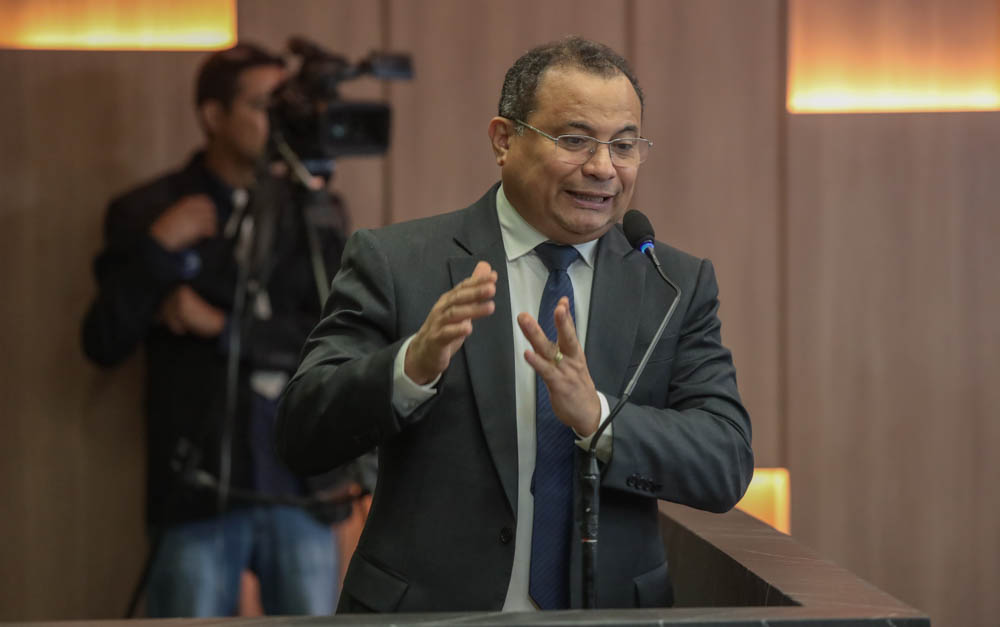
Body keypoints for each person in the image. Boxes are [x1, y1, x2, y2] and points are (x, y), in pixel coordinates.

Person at [276, 36, 754, 613]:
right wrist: (407, 370)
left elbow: (725, 463)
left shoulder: (672, 283)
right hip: (428, 616)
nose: (603, 168)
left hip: (609, 617)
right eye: (575, 140)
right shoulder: (399, 262)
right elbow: (302, 433)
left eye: (624, 145)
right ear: (504, 140)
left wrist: (598, 418)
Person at [82, 43, 351, 617]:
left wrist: (222, 327)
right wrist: (158, 250)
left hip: (299, 488)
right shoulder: (149, 211)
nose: (277, 120)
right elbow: (102, 341)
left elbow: (334, 339)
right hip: (197, 490)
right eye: (261, 106)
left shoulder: (313, 211)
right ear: (213, 115)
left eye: (284, 106)